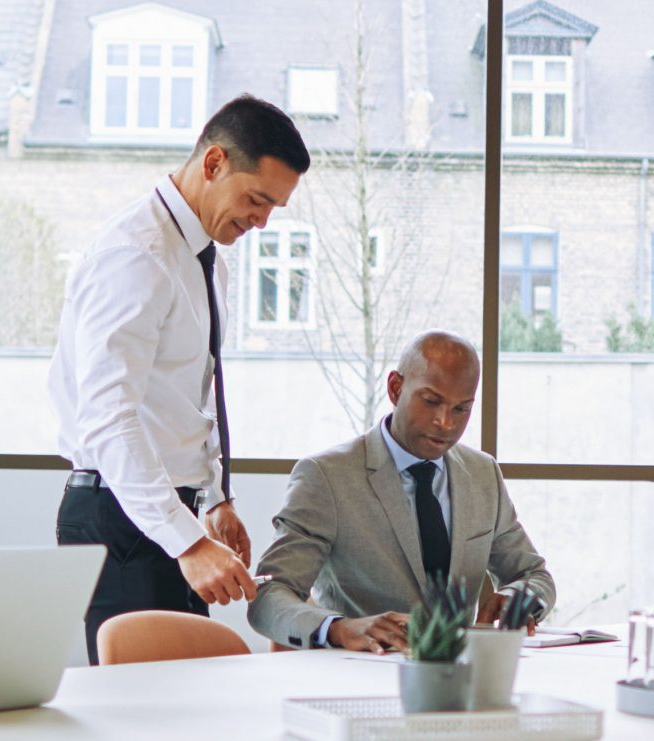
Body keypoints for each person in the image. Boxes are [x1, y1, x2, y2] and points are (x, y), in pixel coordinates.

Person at [49, 95, 310, 657]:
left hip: (164, 512)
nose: (262, 221)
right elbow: (108, 418)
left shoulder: (194, 253)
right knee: (144, 716)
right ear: (213, 163)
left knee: (188, 704)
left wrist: (214, 498)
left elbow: (186, 394)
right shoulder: (136, 255)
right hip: (120, 520)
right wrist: (188, 541)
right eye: (257, 199)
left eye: (274, 209)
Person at [250, 331, 557, 651]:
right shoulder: (326, 477)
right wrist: (339, 629)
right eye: (431, 401)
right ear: (395, 388)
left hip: (463, 679)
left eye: (461, 409)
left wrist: (516, 599)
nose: (445, 423)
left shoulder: (482, 474)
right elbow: (268, 598)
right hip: (357, 677)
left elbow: (535, 576)